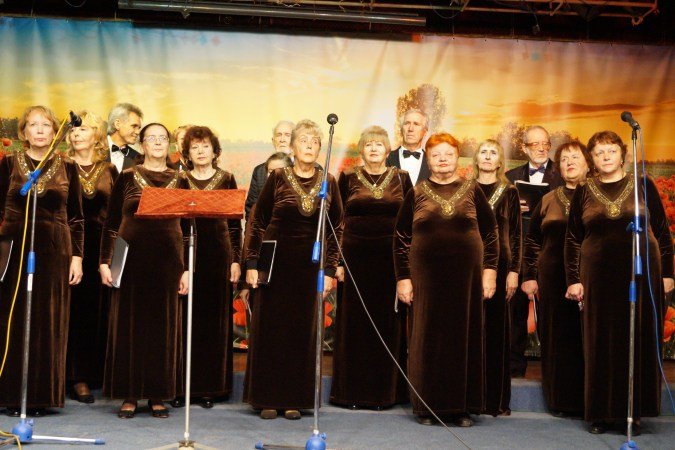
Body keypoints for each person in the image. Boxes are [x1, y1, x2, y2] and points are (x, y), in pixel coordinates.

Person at [565, 131, 673, 434]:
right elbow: (572, 239)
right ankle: (601, 413)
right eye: (599, 152)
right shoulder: (584, 190)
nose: (605, 156)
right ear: (591, 159)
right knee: (600, 341)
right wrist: (573, 279)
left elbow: (662, 232)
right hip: (597, 278)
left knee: (636, 339)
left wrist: (667, 274)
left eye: (611, 150)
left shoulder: (643, 185)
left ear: (623, 154)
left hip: (640, 274)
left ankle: (633, 412)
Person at [394, 132, 498, 427]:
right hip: (425, 280)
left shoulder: (472, 189)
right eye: (436, 155)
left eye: (448, 154)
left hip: (466, 280)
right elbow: (400, 237)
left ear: (457, 158)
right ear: (428, 160)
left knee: (463, 338)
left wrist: (489, 272)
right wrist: (403, 278)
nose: (442, 159)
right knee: (427, 339)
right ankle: (427, 407)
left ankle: (461, 408)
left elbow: (491, 234)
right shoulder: (416, 192)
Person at [244, 119, 343, 420]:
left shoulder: (329, 182)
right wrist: (252, 263)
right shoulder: (277, 177)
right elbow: (257, 221)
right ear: (293, 146)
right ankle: (267, 398)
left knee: (301, 331)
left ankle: (294, 400)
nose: (309, 146)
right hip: (274, 264)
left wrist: (329, 270)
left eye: (314, 142)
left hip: (308, 266)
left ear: (320, 148)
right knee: (271, 330)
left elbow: (336, 228)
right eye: (304, 141)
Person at [99, 123, 189, 419]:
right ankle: (129, 394)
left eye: (163, 138)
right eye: (152, 138)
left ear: (170, 144)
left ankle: (157, 394)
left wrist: (186, 269)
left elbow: (189, 229)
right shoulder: (126, 176)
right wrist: (104, 261)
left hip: (168, 263)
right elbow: (112, 223)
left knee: (162, 328)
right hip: (130, 259)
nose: (158, 142)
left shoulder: (181, 178)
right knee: (129, 325)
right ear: (142, 144)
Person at [0, 106, 84, 416]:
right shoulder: (9, 163)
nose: (39, 130)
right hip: (13, 250)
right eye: (32, 125)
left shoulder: (68, 167)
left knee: (47, 321)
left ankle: (40, 396)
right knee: (12, 319)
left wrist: (77, 257)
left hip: (54, 251)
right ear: (22, 132)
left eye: (45, 125)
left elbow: (76, 218)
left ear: (54, 132)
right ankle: (10, 395)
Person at [330, 126, 413, 410]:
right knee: (355, 326)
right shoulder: (347, 177)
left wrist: (407, 266)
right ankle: (351, 394)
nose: (374, 148)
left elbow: (411, 223)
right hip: (355, 261)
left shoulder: (402, 178)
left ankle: (385, 394)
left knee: (389, 324)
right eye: (368, 144)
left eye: (379, 144)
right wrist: (338, 262)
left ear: (388, 149)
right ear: (361, 150)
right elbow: (337, 221)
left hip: (391, 262)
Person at [521, 141, 591, 418]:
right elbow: (532, 241)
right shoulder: (549, 199)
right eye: (563, 159)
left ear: (588, 163)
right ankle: (561, 401)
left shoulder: (597, 197)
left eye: (575, 157)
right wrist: (529, 276)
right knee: (558, 340)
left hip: (591, 279)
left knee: (588, 339)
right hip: (552, 280)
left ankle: (591, 401)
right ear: (558, 168)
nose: (569, 162)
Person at [179, 125, 242, 408]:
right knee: (185, 321)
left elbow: (235, 225)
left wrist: (236, 260)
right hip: (186, 256)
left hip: (218, 256)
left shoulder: (226, 178)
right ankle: (183, 387)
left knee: (213, 322)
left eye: (205, 146)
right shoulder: (180, 179)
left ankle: (210, 388)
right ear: (187, 154)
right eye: (195, 147)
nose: (201, 151)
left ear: (215, 151)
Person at [66, 110, 119, 404]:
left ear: (97, 135)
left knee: (100, 310)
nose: (76, 134)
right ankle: (77, 377)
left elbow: (117, 215)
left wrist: (111, 256)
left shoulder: (109, 170)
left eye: (83, 129)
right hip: (69, 247)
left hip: (101, 249)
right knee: (74, 311)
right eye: (73, 130)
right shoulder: (61, 167)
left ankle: (98, 372)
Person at [505, 125, 563, 378]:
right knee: (515, 312)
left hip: (551, 252)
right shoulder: (510, 176)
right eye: (535, 144)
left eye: (545, 143)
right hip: (519, 253)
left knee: (553, 315)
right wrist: (512, 208)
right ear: (524, 147)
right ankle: (514, 370)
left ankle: (555, 372)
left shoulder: (562, 174)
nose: (541, 148)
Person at [473, 139, 521, 416]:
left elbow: (516, 235)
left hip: (501, 266)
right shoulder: (466, 189)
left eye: (493, 153)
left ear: (500, 161)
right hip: (469, 263)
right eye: (483, 152)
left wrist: (514, 272)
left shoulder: (509, 191)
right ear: (476, 159)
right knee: (471, 330)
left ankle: (495, 400)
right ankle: (471, 398)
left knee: (495, 331)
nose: (488, 156)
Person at [244, 120, 294, 221]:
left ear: (295, 140)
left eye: (287, 135)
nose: (282, 139)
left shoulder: (306, 169)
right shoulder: (260, 171)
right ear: (273, 140)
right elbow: (251, 209)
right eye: (279, 135)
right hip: (265, 229)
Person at [386, 109, 430, 185]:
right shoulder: (387, 158)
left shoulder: (432, 161)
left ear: (425, 132)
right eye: (407, 123)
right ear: (401, 129)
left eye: (416, 124)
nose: (410, 129)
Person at [106, 103, 143, 173]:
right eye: (134, 126)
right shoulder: (94, 148)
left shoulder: (138, 159)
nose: (138, 132)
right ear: (117, 124)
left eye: (139, 128)